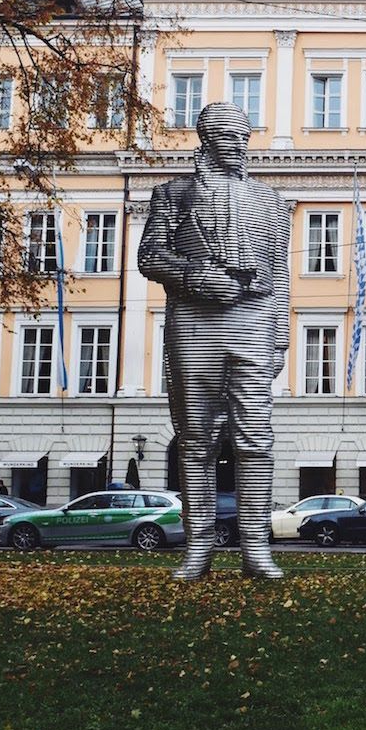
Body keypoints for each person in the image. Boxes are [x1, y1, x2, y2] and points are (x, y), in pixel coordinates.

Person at [139, 101, 292, 581]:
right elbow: (149, 256)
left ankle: (256, 547)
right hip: (194, 320)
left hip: (253, 319)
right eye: (228, 138)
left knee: (256, 441)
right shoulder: (172, 194)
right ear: (206, 140)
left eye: (243, 139)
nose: (238, 148)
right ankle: (198, 547)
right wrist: (198, 278)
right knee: (195, 440)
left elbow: (282, 272)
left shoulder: (272, 202)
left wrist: (281, 337)